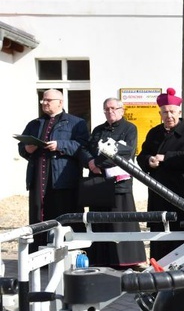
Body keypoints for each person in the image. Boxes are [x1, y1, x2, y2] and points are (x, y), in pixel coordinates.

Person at [17, 89, 89, 251]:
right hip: (38, 178)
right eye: (43, 100)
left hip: (63, 179)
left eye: (49, 100)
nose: (44, 103)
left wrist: (60, 145)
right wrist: (27, 148)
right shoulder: (34, 123)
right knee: (38, 216)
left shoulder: (76, 122)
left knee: (64, 216)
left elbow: (83, 146)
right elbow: (21, 147)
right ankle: (38, 253)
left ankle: (69, 253)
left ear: (60, 102)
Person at [137, 88, 184, 262]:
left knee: (183, 234)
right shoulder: (154, 133)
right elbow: (142, 155)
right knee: (159, 234)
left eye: (172, 112)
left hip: (181, 192)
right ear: (160, 113)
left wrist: (166, 158)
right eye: (165, 112)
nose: (169, 116)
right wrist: (149, 160)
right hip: (158, 192)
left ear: (179, 112)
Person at [81, 97, 146, 268]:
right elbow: (86, 149)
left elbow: (126, 152)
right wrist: (89, 162)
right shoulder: (97, 130)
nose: (110, 112)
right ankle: (101, 259)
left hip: (119, 183)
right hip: (98, 182)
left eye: (114, 108)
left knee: (121, 221)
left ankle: (126, 260)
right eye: (107, 109)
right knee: (99, 220)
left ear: (122, 110)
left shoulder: (129, 128)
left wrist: (98, 163)